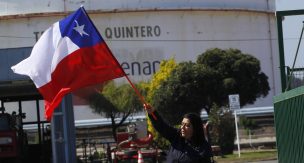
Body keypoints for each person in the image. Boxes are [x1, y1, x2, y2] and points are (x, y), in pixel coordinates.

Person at [144, 104, 214, 163]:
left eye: (187, 125)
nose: (182, 127)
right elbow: (162, 126)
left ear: (195, 128)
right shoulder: (176, 136)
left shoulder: (203, 148)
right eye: (182, 124)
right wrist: (152, 113)